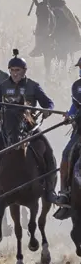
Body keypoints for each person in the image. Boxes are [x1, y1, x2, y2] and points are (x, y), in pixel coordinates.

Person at [0, 51, 58, 208]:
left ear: (24, 71)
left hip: (29, 129)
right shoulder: (3, 86)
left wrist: (47, 109)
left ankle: (50, 190)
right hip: (7, 129)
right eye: (12, 70)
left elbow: (49, 103)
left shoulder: (33, 86)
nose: (14, 73)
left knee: (48, 151)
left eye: (18, 70)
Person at [52, 56, 81, 219]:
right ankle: (65, 192)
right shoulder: (78, 86)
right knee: (66, 153)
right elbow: (76, 105)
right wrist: (70, 115)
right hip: (80, 130)